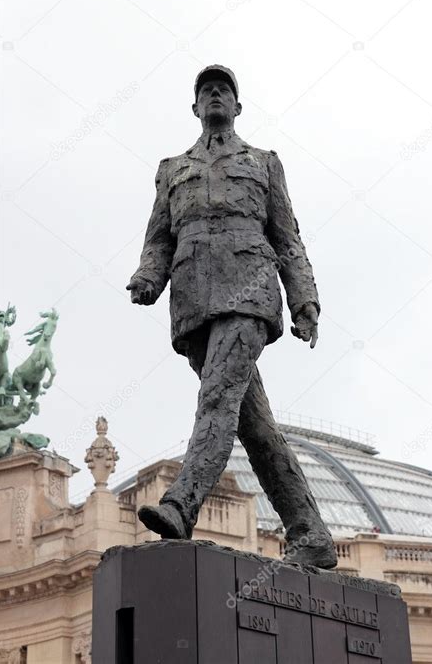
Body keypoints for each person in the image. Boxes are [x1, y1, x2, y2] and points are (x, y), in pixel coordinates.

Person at [127, 65, 337, 568]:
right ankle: (311, 534)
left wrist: (304, 300)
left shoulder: (263, 162)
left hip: (250, 292)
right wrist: (147, 278)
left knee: (217, 397)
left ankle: (182, 505)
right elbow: (159, 237)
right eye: (206, 91)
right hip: (194, 302)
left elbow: (287, 238)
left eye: (224, 90)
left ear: (237, 107)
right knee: (254, 424)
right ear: (196, 107)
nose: (215, 95)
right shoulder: (172, 168)